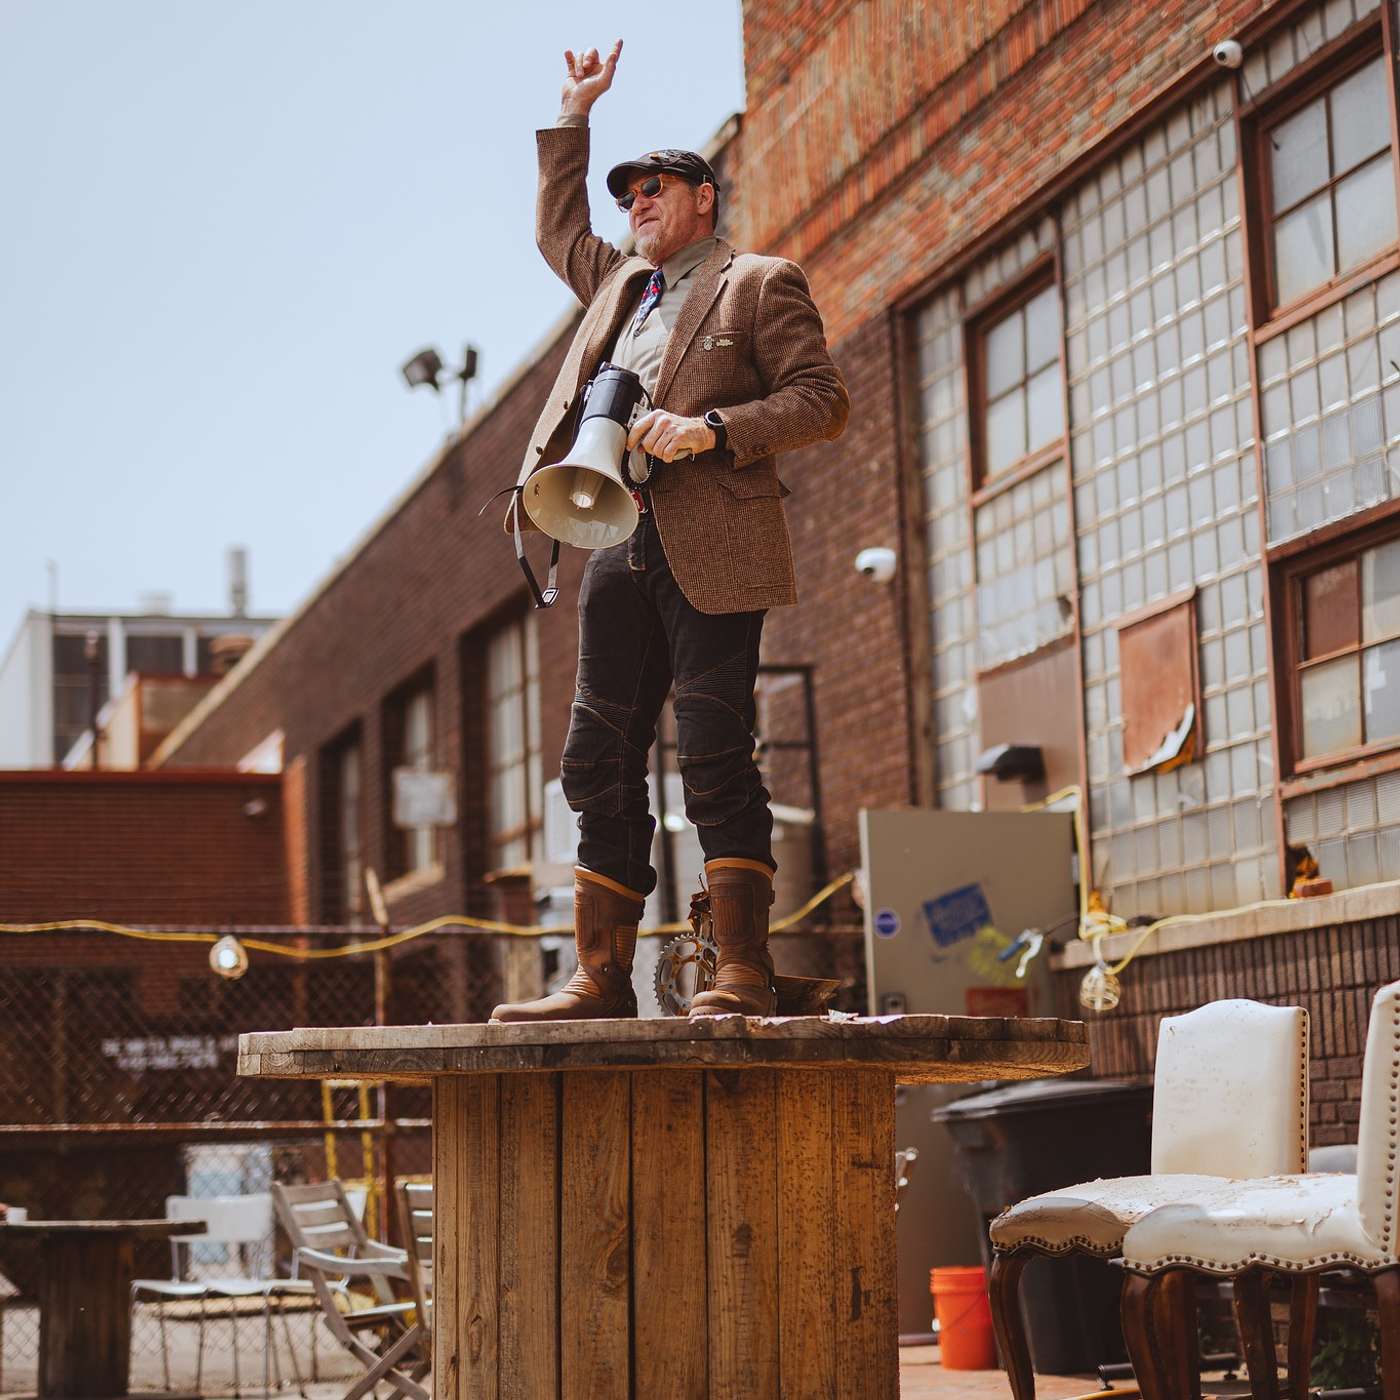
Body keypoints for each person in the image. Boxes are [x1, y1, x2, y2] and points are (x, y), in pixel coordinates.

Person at [491, 40, 849, 1023]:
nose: (637, 202)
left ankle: (740, 967)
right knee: (592, 756)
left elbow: (822, 400)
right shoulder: (617, 286)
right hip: (617, 533)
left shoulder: (758, 281)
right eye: (628, 193)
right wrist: (573, 114)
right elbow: (557, 229)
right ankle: (600, 977)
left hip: (714, 538)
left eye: (655, 187)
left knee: (713, 746)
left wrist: (712, 430)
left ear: (703, 198)